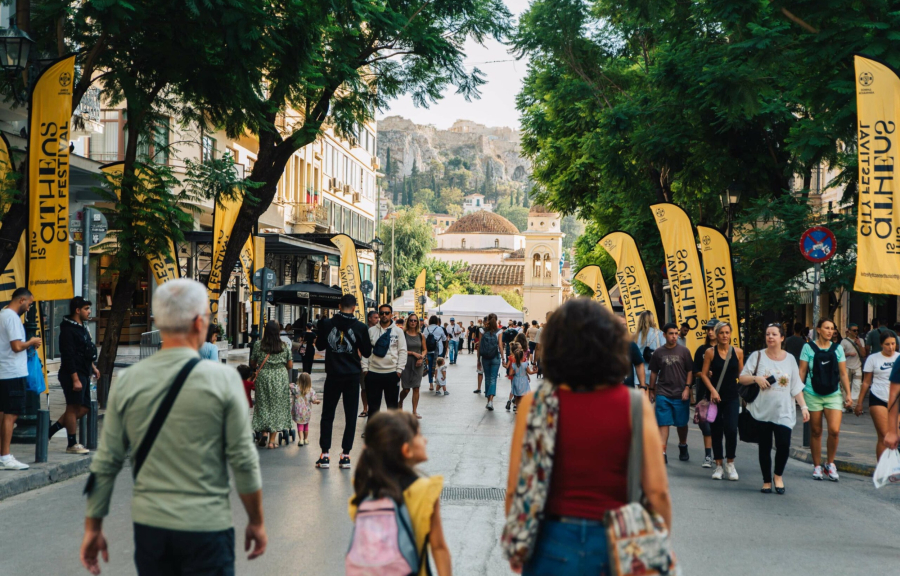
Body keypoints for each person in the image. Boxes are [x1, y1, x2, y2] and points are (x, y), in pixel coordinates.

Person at [80, 279, 265, 575]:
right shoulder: (224, 380)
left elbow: (107, 462)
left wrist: (93, 527)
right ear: (198, 323)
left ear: (159, 323)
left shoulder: (129, 381)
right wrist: (256, 521)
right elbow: (243, 460)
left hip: (151, 530)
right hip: (208, 527)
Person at [504, 299, 671, 575]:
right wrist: (655, 547)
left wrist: (520, 542)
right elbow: (657, 492)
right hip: (619, 542)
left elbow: (515, 486)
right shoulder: (634, 405)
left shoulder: (535, 404)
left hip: (550, 539)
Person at [349, 411, 451, 576]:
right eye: (419, 435)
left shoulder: (364, 491)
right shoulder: (425, 490)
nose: (425, 440)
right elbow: (439, 547)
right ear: (406, 450)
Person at [740, 323, 809, 494]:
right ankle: (766, 481)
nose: (770, 337)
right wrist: (756, 378)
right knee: (764, 446)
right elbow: (742, 378)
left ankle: (778, 475)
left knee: (783, 445)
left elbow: (795, 386)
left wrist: (804, 407)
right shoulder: (757, 356)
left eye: (774, 334)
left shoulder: (790, 359)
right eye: (768, 334)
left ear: (782, 338)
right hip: (762, 411)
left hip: (784, 411)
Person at [315, 294, 371, 470]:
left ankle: (325, 455)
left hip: (333, 374)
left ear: (339, 306)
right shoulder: (361, 327)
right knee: (350, 415)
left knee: (327, 414)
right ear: (354, 308)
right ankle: (346, 455)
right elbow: (367, 352)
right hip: (352, 375)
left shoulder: (326, 324)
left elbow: (320, 346)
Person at [798, 318, 852, 481]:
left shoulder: (838, 348)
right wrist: (798, 394)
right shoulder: (808, 347)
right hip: (812, 393)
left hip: (833, 394)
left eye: (832, 328)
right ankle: (817, 466)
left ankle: (830, 463)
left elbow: (843, 373)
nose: (830, 331)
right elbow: (802, 371)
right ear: (818, 330)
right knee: (816, 431)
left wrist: (848, 394)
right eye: (826, 328)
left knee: (834, 431)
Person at [49, 296, 99, 455]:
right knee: (72, 407)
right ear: (77, 310)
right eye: (86, 309)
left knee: (84, 408)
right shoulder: (68, 330)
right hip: (72, 373)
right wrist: (75, 379)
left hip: (84, 371)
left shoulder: (82, 326)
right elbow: (68, 356)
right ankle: (71, 443)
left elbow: (85, 350)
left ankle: (50, 431)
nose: (89, 311)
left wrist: (93, 367)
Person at [0, 288, 41, 471]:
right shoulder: (12, 318)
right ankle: (5, 456)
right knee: (12, 414)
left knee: (4, 413)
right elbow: (16, 346)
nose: (29, 308)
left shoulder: (2, 314)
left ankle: (2, 455)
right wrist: (31, 342)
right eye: (29, 304)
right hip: (13, 373)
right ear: (22, 300)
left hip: (4, 371)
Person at [700, 322, 745, 480]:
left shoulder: (738, 352)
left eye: (727, 332)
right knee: (716, 430)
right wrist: (712, 390)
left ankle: (730, 463)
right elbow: (703, 374)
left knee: (732, 429)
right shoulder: (710, 352)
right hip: (714, 397)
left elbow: (742, 375)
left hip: (732, 396)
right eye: (721, 333)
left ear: (730, 334)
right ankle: (718, 465)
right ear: (716, 334)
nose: (724, 336)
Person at [649, 323, 694, 464]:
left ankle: (683, 445)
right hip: (663, 393)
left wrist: (687, 388)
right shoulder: (658, 353)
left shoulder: (684, 351)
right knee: (663, 423)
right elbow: (654, 373)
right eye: (671, 333)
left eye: (675, 333)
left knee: (681, 424)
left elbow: (690, 371)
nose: (674, 336)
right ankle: (662, 452)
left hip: (681, 393)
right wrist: (651, 390)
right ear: (664, 335)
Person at [856, 330, 899, 460]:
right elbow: (866, 382)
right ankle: (882, 467)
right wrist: (859, 403)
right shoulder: (873, 358)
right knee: (884, 434)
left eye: (893, 344)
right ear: (881, 344)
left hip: (896, 401)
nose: (891, 347)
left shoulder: (899, 358)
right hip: (878, 398)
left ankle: (893, 465)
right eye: (887, 344)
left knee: (896, 436)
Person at [250, 320, 293, 449]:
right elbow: (290, 365)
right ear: (278, 331)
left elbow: (253, 363)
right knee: (276, 407)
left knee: (263, 405)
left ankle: (264, 433)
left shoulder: (258, 345)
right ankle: (272, 441)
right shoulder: (284, 346)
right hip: (279, 378)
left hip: (263, 377)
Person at [361, 304, 408, 418]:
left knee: (392, 407)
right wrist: (365, 369)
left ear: (391, 314)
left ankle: (392, 428)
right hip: (373, 372)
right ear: (379, 315)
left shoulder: (398, 331)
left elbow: (402, 351)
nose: (384, 315)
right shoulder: (371, 331)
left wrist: (399, 370)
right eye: (381, 313)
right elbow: (365, 351)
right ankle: (373, 428)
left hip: (392, 373)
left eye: (387, 313)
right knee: (373, 407)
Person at [693, 319, 718, 468]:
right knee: (705, 424)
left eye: (712, 329)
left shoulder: (726, 350)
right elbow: (695, 371)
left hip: (721, 392)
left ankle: (718, 455)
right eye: (708, 329)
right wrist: (704, 373)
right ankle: (708, 455)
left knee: (718, 425)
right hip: (704, 392)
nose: (709, 332)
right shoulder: (701, 350)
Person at [400, 314, 427, 418]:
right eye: (411, 320)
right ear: (408, 321)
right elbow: (400, 350)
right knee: (406, 389)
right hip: (405, 363)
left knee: (416, 388)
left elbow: (424, 349)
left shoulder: (421, 335)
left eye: (415, 321)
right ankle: (400, 402)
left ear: (417, 323)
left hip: (418, 363)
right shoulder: (403, 334)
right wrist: (412, 353)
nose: (413, 322)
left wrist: (421, 357)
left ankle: (414, 411)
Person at [478, 313, 503, 410]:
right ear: (496, 320)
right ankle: (491, 401)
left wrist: (478, 360)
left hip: (485, 357)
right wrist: (503, 358)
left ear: (487, 320)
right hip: (495, 357)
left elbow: (479, 346)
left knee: (487, 378)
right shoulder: (499, 331)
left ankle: (488, 400)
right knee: (493, 378)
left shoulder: (482, 330)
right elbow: (500, 346)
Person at [358, 310, 379, 418]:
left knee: (375, 388)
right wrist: (361, 360)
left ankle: (373, 409)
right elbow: (358, 346)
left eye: (378, 317)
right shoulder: (363, 329)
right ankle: (365, 408)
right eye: (375, 317)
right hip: (364, 361)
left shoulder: (379, 330)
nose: (377, 319)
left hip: (376, 362)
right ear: (369, 318)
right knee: (364, 387)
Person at [290, 372, 319, 446]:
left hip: (298, 411)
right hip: (307, 412)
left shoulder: (296, 389)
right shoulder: (311, 390)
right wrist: (317, 401)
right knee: (306, 425)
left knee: (300, 425)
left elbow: (290, 386)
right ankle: (306, 439)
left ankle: (301, 440)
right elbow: (313, 400)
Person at [842, 324, 866, 412]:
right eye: (854, 330)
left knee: (857, 386)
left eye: (857, 330)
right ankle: (846, 404)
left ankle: (854, 406)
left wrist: (859, 345)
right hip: (846, 366)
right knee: (845, 386)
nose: (856, 332)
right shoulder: (844, 341)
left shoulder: (861, 340)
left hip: (857, 366)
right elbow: (840, 355)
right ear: (849, 331)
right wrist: (848, 354)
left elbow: (863, 354)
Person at [505, 344, 535, 412]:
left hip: (516, 380)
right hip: (524, 381)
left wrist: (514, 372)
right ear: (522, 357)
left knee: (517, 396)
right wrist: (535, 371)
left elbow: (510, 373)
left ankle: (517, 408)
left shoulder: (514, 365)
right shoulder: (525, 364)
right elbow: (530, 372)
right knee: (523, 395)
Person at [635, 310, 664, 376]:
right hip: (655, 371)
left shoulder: (635, 336)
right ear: (652, 320)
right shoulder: (659, 334)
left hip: (639, 372)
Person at [423, 316, 446, 391]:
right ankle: (438, 381)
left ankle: (431, 384)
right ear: (436, 321)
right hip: (438, 351)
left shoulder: (426, 329)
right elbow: (444, 338)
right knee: (439, 367)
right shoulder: (439, 329)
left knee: (430, 367)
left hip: (429, 350)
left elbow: (423, 339)